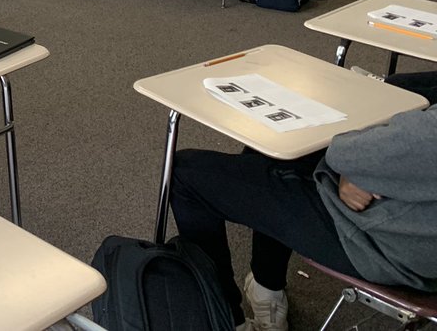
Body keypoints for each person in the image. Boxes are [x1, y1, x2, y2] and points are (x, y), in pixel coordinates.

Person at [169, 101, 437, 331]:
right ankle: (265, 287)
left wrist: (352, 167)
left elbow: (349, 153)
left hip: (385, 244)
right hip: (412, 233)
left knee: (183, 173)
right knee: (278, 141)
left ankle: (228, 320)